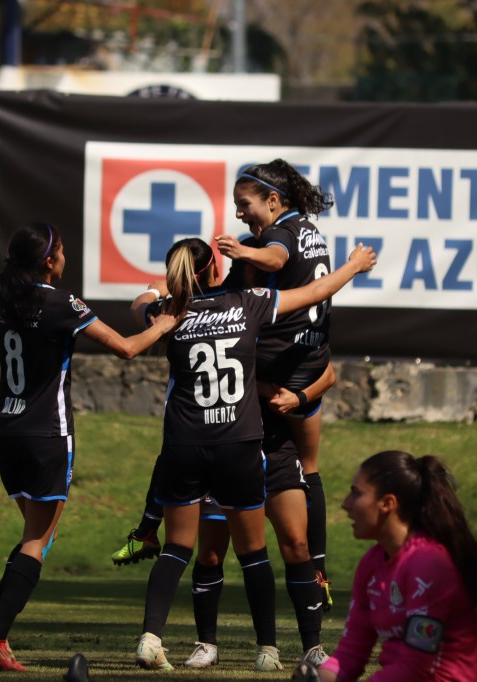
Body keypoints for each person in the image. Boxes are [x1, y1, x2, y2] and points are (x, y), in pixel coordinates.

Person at [132, 237, 376, 672]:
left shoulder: (170, 313)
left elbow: (138, 306)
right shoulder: (249, 302)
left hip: (186, 443)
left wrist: (157, 290)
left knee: (177, 549)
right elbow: (316, 292)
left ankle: (151, 638)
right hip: (237, 443)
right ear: (215, 269)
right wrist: (354, 266)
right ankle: (266, 649)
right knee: (253, 552)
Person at [0, 222, 178, 671]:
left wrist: (24, 336)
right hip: (48, 433)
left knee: (39, 535)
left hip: (6, 431)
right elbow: (125, 348)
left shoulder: (5, 297)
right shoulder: (60, 302)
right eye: (61, 252)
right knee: (37, 539)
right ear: (49, 261)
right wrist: (162, 325)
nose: (65, 258)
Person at [216, 159, 340, 605]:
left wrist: (245, 252)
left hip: (274, 372)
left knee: (226, 458)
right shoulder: (309, 228)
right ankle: (319, 572)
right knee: (310, 467)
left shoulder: (279, 235)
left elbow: (275, 257)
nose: (239, 213)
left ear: (273, 200)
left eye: (244, 204)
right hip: (310, 365)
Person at [182, 374, 335, 671]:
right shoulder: (226, 332)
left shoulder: (294, 338)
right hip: (225, 449)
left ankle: (312, 647)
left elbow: (328, 373)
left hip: (276, 452)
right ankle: (209, 645)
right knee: (212, 551)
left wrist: (298, 397)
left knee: (296, 544)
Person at [310, 451, 477, 682]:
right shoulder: (371, 564)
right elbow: (350, 653)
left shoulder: (429, 565)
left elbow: (416, 669)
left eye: (356, 493)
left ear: (387, 503)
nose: (345, 504)